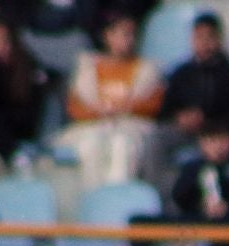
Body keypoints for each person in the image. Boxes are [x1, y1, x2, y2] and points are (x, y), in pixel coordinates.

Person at [148, 11, 229, 190]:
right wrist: (180, 118)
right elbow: (163, 112)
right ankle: (161, 193)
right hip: (185, 134)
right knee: (155, 139)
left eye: (209, 37)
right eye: (199, 37)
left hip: (217, 135)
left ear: (218, 39)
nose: (204, 43)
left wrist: (209, 124)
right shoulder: (181, 73)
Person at [60, 9, 164, 191]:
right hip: (93, 125)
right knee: (90, 145)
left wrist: (124, 108)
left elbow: (153, 104)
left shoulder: (146, 69)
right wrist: (99, 111)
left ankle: (116, 200)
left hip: (130, 126)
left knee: (122, 145)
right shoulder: (88, 67)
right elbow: (74, 107)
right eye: (123, 34)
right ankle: (94, 201)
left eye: (132, 34)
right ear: (107, 36)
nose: (129, 39)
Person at [0, 18, 53, 169]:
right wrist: (10, 150)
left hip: (26, 140)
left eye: (5, 39)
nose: (1, 45)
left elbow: (34, 110)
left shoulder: (28, 68)